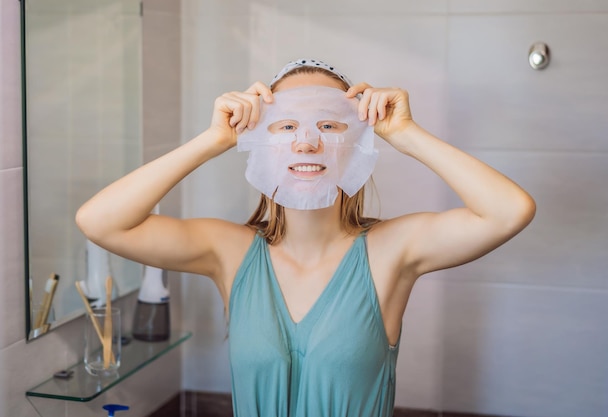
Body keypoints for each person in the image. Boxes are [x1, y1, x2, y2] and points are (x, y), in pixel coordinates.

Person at [76, 59, 536, 417]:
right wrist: (213, 140)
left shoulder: (391, 252)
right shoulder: (228, 252)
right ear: (261, 141)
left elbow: (509, 211)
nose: (306, 142)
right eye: (287, 125)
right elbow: (100, 222)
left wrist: (406, 133)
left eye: (329, 125)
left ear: (356, 141)